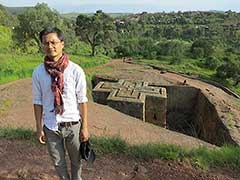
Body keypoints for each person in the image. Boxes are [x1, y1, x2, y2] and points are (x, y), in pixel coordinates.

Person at [32, 26, 89, 180]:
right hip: (51, 126)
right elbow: (37, 102)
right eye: (46, 43)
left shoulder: (75, 70)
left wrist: (84, 128)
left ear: (62, 43)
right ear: (42, 46)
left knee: (76, 161)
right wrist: (39, 127)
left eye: (54, 42)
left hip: (73, 125)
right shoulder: (38, 72)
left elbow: (82, 100)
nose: (50, 46)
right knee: (58, 163)